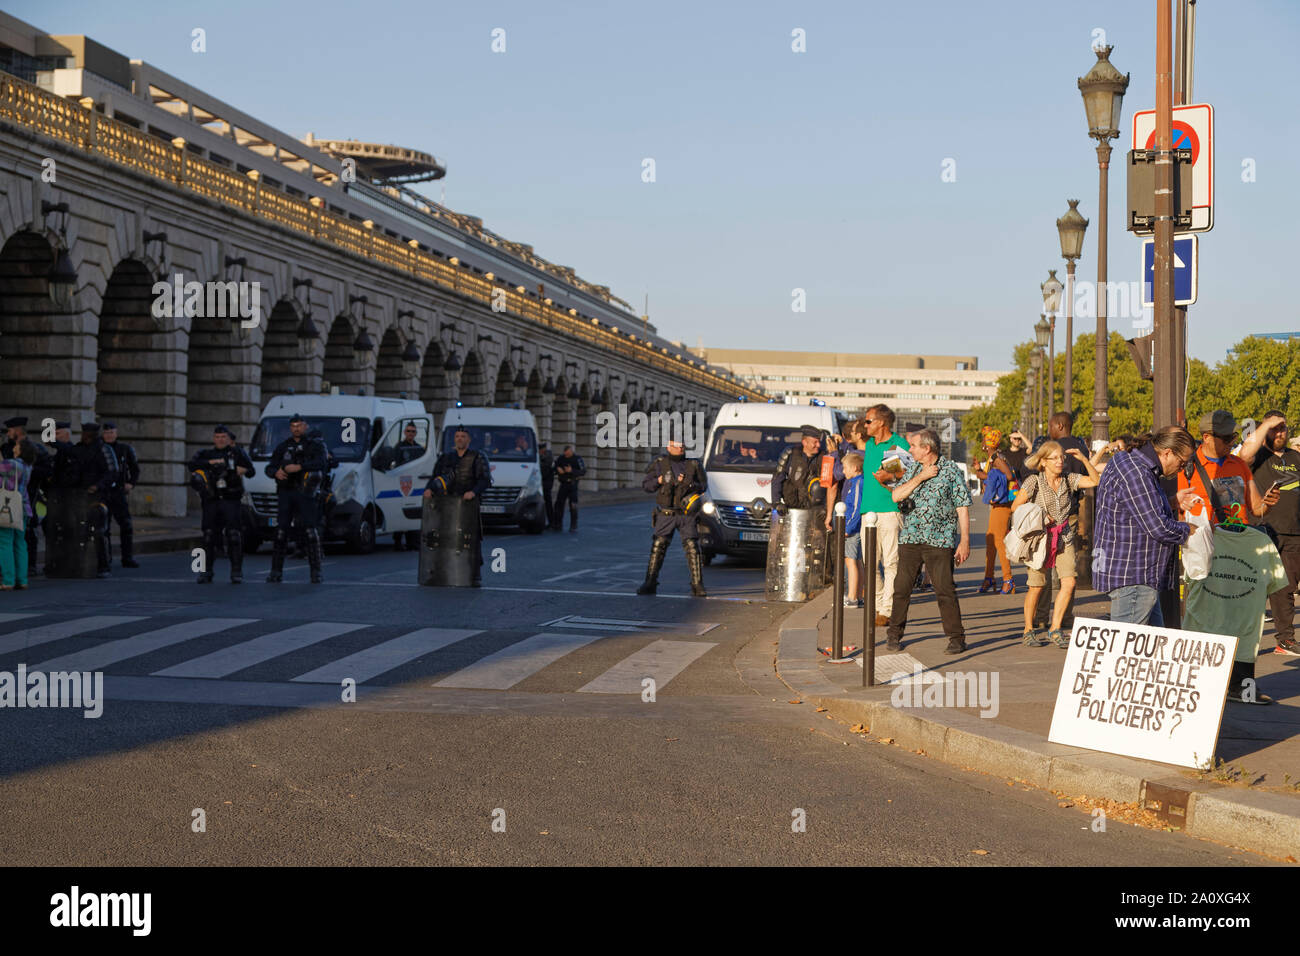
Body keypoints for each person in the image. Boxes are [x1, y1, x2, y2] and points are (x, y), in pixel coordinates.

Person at [1093, 427, 1201, 625]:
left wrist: (1170, 501)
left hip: (1133, 573)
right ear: (1167, 453)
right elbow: (1158, 527)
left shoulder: (1128, 460)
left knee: (1151, 644)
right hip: (1134, 575)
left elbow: (1133, 509)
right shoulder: (1137, 473)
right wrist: (1190, 530)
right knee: (1129, 647)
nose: (1182, 468)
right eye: (1182, 462)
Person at [885, 428, 972, 654]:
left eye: (913, 446)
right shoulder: (913, 468)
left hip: (940, 539)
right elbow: (896, 496)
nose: (910, 450)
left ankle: (956, 638)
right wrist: (921, 477)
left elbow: (962, 507)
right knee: (901, 588)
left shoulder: (951, 470)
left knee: (944, 590)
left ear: (927, 448)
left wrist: (964, 541)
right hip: (911, 537)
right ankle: (894, 634)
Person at [1011, 440, 1101, 647]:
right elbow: (1016, 507)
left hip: (1064, 538)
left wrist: (1085, 460)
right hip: (1039, 541)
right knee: (1036, 586)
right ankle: (1028, 629)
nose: (1060, 461)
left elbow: (1094, 481)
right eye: (1055, 458)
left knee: (1068, 583)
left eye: (1062, 457)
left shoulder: (1069, 479)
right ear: (1043, 462)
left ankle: (1055, 628)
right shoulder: (1034, 482)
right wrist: (1040, 517)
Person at [1237, 410, 1300, 655]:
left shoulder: (1295, 457)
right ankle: (1241, 641)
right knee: (1254, 587)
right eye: (1275, 428)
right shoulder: (1258, 456)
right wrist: (1267, 425)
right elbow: (1244, 453)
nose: (1280, 433)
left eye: (1283, 428)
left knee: (1285, 588)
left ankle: (1285, 640)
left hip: (1293, 530)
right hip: (1263, 529)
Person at [1177, 410, 1277, 527]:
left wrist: (1268, 503)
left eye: (1234, 436)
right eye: (1227, 438)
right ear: (1207, 437)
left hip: (1239, 539)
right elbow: (1178, 514)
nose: (1231, 442)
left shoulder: (1240, 464)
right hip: (1206, 541)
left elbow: (1256, 509)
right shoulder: (1186, 467)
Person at [858, 405, 911, 628]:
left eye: (868, 421)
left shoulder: (896, 444)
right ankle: (878, 604)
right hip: (867, 510)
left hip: (890, 510)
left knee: (891, 563)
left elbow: (904, 476)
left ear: (882, 423)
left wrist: (887, 476)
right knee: (869, 563)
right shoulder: (870, 444)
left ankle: (886, 610)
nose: (865, 424)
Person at [635, 439, 708, 597]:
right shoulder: (660, 463)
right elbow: (646, 485)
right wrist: (659, 481)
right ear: (669, 447)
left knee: (692, 548)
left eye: (682, 445)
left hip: (686, 514)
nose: (680, 448)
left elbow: (703, 486)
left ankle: (697, 585)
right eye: (677, 446)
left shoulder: (693, 464)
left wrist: (689, 484)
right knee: (658, 547)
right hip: (666, 513)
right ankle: (650, 583)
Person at [423, 424, 492, 586]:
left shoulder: (478, 457)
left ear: (468, 440)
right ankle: (441, 572)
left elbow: (485, 480)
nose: (459, 439)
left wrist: (473, 492)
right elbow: (436, 477)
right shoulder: (446, 457)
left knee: (469, 540)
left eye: (463, 436)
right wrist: (429, 490)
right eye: (457, 437)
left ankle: (473, 574)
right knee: (443, 538)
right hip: (446, 504)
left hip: (468, 505)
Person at [264, 414, 327, 584]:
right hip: (286, 491)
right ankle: (275, 572)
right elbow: (269, 467)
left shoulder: (314, 445)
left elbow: (321, 463)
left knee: (310, 531)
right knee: (281, 532)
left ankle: (316, 572)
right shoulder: (283, 446)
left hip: (305, 492)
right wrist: (275, 472)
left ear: (305, 426)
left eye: (299, 425)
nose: (296, 428)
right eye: (293, 426)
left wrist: (300, 467)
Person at [188, 425, 253, 584]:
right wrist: (212, 462)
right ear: (213, 438)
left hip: (231, 498)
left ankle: (236, 572)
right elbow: (192, 465)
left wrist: (240, 469)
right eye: (217, 437)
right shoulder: (206, 453)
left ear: (229, 439)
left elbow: (250, 470)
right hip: (212, 499)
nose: (220, 440)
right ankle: (205, 571)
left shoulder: (236, 453)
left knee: (234, 535)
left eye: (223, 437)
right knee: (208, 536)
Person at [2, 417, 50, 576]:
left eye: (9, 431)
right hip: (21, 497)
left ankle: (24, 568)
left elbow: (47, 471)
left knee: (21, 535)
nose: (8, 434)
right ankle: (20, 574)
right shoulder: (7, 448)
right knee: (19, 538)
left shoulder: (35, 449)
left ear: (17, 431)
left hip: (26, 495)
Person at [68, 422, 116, 578]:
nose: (85, 436)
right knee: (78, 532)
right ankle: (78, 566)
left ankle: (103, 565)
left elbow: (112, 472)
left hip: (98, 496)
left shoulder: (104, 449)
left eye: (88, 434)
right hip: (79, 495)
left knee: (99, 532)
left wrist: (98, 486)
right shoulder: (79, 449)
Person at [100, 422, 140, 568]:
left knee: (126, 525)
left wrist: (131, 483)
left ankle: (127, 557)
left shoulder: (125, 449)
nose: (109, 435)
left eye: (111, 432)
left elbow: (135, 469)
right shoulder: (99, 448)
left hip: (118, 492)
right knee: (104, 528)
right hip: (103, 492)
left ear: (116, 433)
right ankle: (106, 558)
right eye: (106, 433)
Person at [976, 451, 1015, 594]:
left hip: (1003, 507)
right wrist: (978, 469)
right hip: (996, 507)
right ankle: (989, 577)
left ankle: (1008, 579)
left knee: (998, 541)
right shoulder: (994, 461)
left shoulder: (998, 458)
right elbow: (983, 477)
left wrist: (995, 459)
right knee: (990, 540)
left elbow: (1010, 476)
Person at [0, 439, 35, 589]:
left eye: (17, 446)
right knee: (20, 543)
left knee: (5, 542)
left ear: (21, 450)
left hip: (9, 507)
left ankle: (8, 580)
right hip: (24, 508)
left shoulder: (12, 464)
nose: (14, 447)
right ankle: (22, 580)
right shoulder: (27, 466)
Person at [389, 422, 424, 551]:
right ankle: (397, 541)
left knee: (414, 512)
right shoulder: (399, 447)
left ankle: (413, 542)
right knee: (400, 511)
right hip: (401, 483)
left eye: (413, 431)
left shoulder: (419, 448)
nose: (410, 434)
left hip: (415, 484)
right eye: (409, 431)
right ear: (404, 432)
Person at [770, 425, 823, 511]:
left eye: (819, 442)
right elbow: (777, 479)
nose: (819, 445)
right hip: (792, 508)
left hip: (815, 510)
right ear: (805, 442)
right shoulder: (790, 454)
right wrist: (777, 503)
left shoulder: (823, 457)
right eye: (815, 442)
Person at [840, 452, 865, 607]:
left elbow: (856, 508)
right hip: (856, 528)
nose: (843, 471)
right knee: (857, 562)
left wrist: (848, 527)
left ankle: (852, 597)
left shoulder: (857, 484)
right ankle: (859, 595)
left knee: (851, 562)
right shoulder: (858, 482)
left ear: (855, 468)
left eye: (845, 468)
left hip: (853, 529)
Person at [552, 444, 585, 532]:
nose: (566, 455)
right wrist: (558, 470)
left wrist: (572, 471)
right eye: (565, 453)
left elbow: (583, 471)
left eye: (568, 453)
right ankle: (558, 524)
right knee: (559, 504)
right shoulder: (561, 458)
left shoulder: (577, 459)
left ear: (571, 452)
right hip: (563, 483)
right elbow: (554, 466)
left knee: (573, 505)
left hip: (573, 483)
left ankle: (573, 525)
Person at [539, 441, 556, 530]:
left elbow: (544, 468)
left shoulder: (548, 456)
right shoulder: (543, 456)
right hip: (543, 482)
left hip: (546, 483)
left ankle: (551, 522)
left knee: (548, 503)